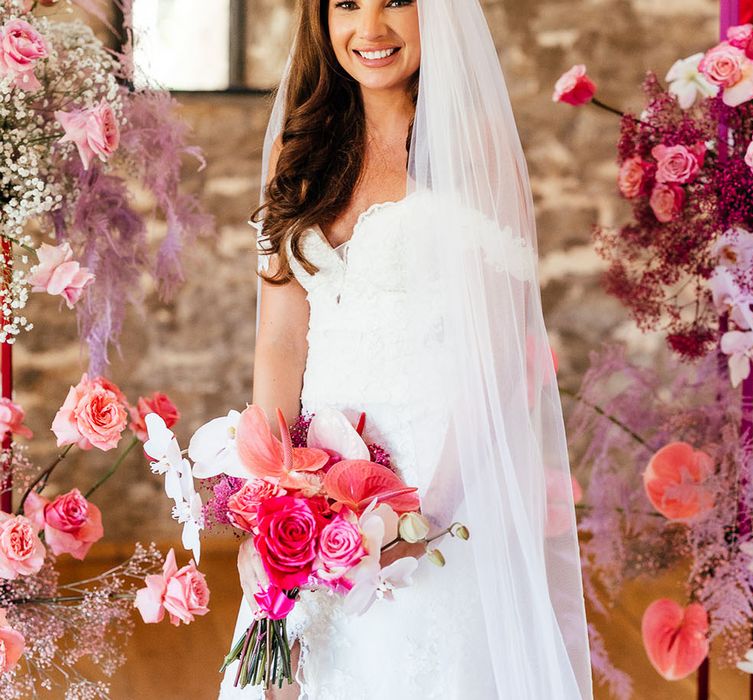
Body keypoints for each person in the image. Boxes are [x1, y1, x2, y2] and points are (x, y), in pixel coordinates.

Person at [220, 1, 593, 698]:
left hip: (438, 475)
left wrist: (426, 513)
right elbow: (278, 337)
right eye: (347, 5)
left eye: (396, 1)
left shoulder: (471, 147)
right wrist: (270, 497)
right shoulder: (298, 148)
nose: (371, 29)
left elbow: (507, 355)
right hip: (314, 485)